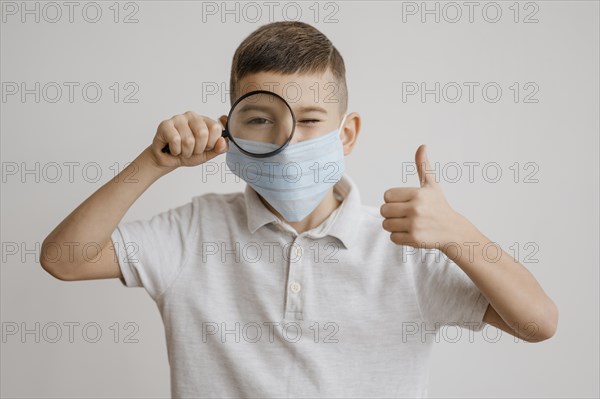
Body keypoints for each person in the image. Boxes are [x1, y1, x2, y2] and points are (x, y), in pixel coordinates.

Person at [40, 21, 558, 398]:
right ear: (230, 131)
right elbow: (64, 258)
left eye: (310, 120)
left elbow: (538, 323)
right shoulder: (195, 231)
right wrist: (152, 163)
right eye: (260, 119)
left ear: (347, 133)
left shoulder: (405, 243)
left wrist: (456, 234)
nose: (287, 141)